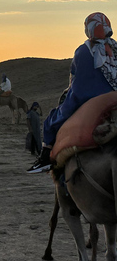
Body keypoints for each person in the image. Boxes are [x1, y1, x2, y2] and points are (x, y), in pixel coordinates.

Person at [27, 12, 117, 173]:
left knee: (52, 120)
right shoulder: (115, 48)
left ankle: (46, 158)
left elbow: (79, 85)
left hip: (90, 98)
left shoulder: (84, 51)